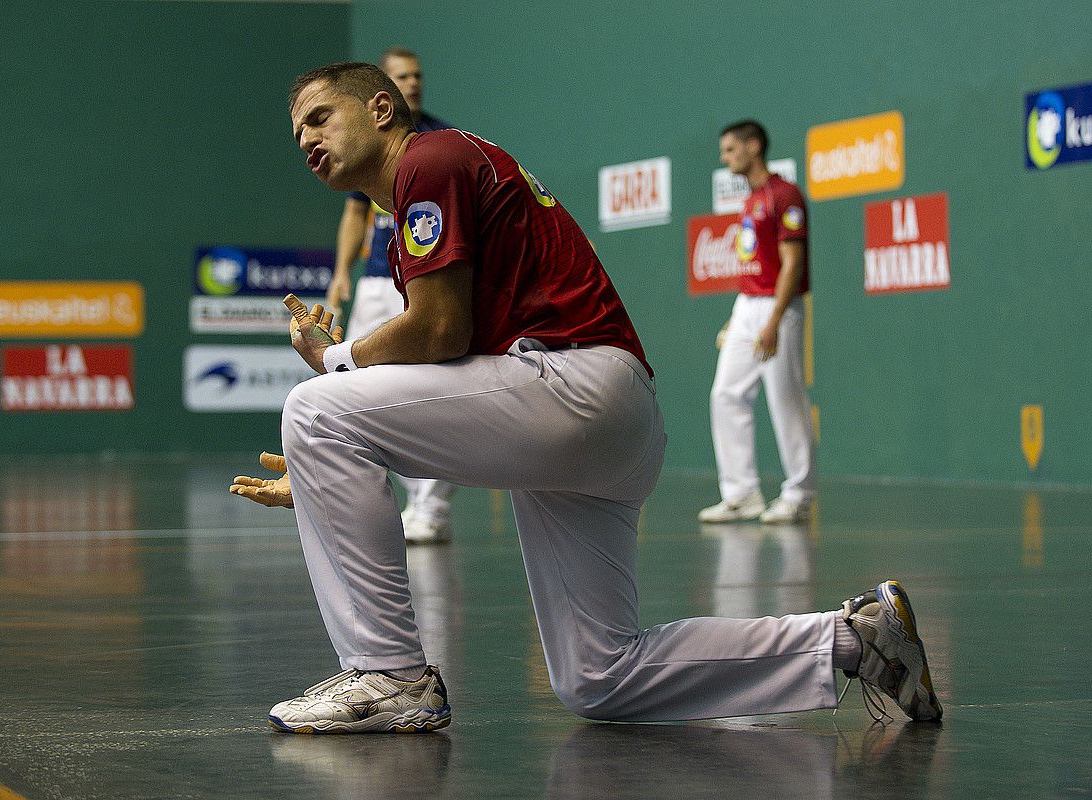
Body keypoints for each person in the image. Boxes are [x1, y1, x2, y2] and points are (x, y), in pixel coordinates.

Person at [229, 62, 942, 733]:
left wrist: (335, 361)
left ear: (381, 108)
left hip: (573, 386)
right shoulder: (426, 193)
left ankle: (386, 675)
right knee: (598, 675)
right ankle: (858, 640)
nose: (308, 141)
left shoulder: (429, 160)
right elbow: (454, 383)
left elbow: (440, 332)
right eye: (298, 135)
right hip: (599, 420)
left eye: (320, 118)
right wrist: (333, 469)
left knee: (315, 405)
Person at [326, 46, 456, 544]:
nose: (414, 82)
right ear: (382, 90)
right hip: (377, 280)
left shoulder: (441, 139)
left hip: (424, 280)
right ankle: (376, 504)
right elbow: (355, 213)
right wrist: (342, 272)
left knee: (429, 391)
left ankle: (431, 509)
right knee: (351, 384)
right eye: (403, 75)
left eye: (419, 74)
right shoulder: (367, 141)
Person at [698, 120, 817, 525]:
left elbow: (792, 264)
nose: (724, 157)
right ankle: (741, 494)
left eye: (730, 149)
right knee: (726, 394)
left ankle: (799, 494)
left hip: (777, 309)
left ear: (754, 146)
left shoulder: (785, 195)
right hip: (747, 306)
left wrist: (773, 321)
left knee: (785, 400)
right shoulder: (750, 200)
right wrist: (737, 319)